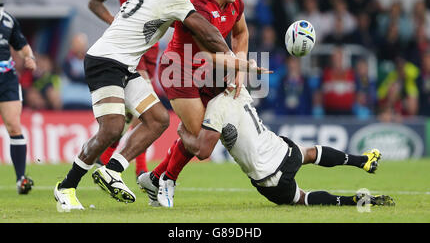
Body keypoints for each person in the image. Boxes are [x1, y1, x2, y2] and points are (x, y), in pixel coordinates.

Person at [54, 0, 268, 211]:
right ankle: (66, 187)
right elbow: (208, 33)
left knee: (158, 119)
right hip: (105, 61)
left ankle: (113, 170)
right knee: (112, 128)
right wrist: (237, 63)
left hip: (126, 64)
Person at [145, 86, 395, 208]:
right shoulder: (237, 88)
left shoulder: (215, 109)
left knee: (302, 199)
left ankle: (354, 201)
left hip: (270, 177)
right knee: (310, 153)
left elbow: (202, 151)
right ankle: (361, 161)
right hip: (280, 149)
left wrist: (182, 131)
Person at [138, 0, 251, 208]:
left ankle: (156, 178)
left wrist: (240, 69)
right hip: (179, 69)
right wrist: (238, 65)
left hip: (208, 71)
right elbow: (207, 51)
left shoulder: (235, 3)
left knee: (206, 138)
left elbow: (241, 32)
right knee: (200, 135)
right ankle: (167, 179)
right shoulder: (196, 4)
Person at [88, 0, 162, 177]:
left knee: (135, 112)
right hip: (128, 51)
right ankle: (140, 171)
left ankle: (106, 159)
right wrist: (114, 22)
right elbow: (94, 1)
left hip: (151, 51)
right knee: (146, 111)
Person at [0, 0, 37, 194]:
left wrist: (29, 57)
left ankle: (21, 179)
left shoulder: (7, 19)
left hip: (6, 78)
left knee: (14, 127)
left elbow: (21, 45)